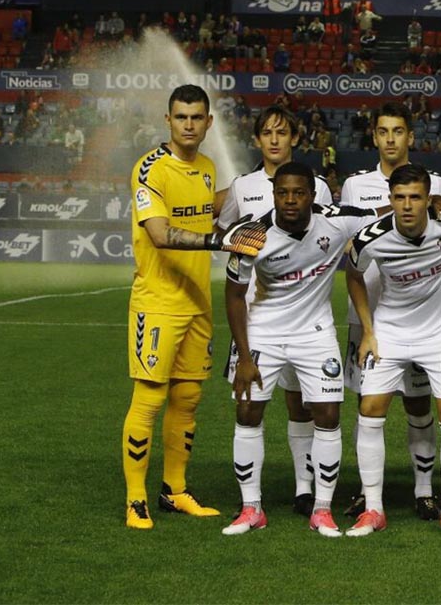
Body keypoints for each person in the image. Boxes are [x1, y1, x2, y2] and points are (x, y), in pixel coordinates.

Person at [122, 85, 269, 529]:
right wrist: (218, 241)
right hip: (158, 303)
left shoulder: (205, 167)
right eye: (181, 117)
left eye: (196, 118)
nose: (189, 124)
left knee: (188, 398)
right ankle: (135, 500)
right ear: (168, 120)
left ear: (209, 123)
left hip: (196, 304)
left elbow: (204, 208)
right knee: (149, 399)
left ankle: (175, 490)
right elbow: (161, 233)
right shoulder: (150, 168)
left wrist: (257, 190)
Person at [221, 162, 376, 538]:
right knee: (247, 411)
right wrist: (243, 357)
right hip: (262, 332)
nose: (290, 200)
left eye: (299, 193)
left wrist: (437, 202)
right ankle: (251, 507)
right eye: (282, 193)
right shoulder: (251, 234)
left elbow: (381, 214)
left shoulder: (337, 222)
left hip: (315, 333)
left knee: (327, 414)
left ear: (313, 195)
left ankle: (322, 509)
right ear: (274, 193)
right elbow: (234, 296)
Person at [344, 165, 441, 540]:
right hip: (390, 331)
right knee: (370, 409)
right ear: (390, 199)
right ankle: (374, 508)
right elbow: (353, 273)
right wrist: (367, 329)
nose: (407, 206)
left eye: (415, 197)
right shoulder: (370, 238)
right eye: (399, 198)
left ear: (429, 199)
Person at [216, 105, 333, 517]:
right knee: (249, 404)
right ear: (257, 140)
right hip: (255, 316)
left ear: (294, 139)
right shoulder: (242, 185)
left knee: (300, 404)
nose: (274, 139)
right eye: (267, 132)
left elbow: (327, 235)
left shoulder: (318, 185)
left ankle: (305, 487)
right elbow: (224, 231)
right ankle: (252, 501)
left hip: (303, 316)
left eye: (282, 132)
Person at [340, 103, 441, 523]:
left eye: (398, 131)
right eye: (383, 131)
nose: (390, 139)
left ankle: (424, 491)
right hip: (367, 317)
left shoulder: (433, 182)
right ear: (373, 136)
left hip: (420, 316)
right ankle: (369, 492)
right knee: (368, 404)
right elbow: (351, 249)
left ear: (410, 136)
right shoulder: (355, 185)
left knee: (419, 405)